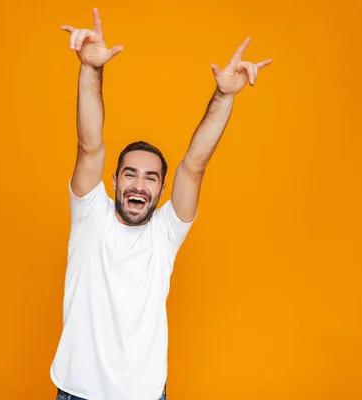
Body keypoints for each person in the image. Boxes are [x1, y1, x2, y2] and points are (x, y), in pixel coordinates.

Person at [50, 8, 272, 400]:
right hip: (76, 392)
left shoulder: (166, 231)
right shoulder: (90, 213)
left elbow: (194, 166)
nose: (139, 184)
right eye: (130, 174)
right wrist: (91, 69)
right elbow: (89, 146)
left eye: (151, 177)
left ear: (162, 188)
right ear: (114, 180)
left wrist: (224, 95)